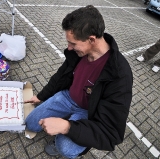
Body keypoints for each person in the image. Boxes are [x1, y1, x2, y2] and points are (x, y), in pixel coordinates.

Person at [25, 5, 133, 159]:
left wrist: (67, 127)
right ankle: (65, 118)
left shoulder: (119, 75)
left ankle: (74, 137)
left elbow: (110, 133)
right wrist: (42, 95)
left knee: (66, 148)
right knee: (31, 124)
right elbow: (61, 75)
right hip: (67, 97)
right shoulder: (78, 52)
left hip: (89, 112)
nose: (69, 48)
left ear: (91, 39)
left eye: (73, 43)